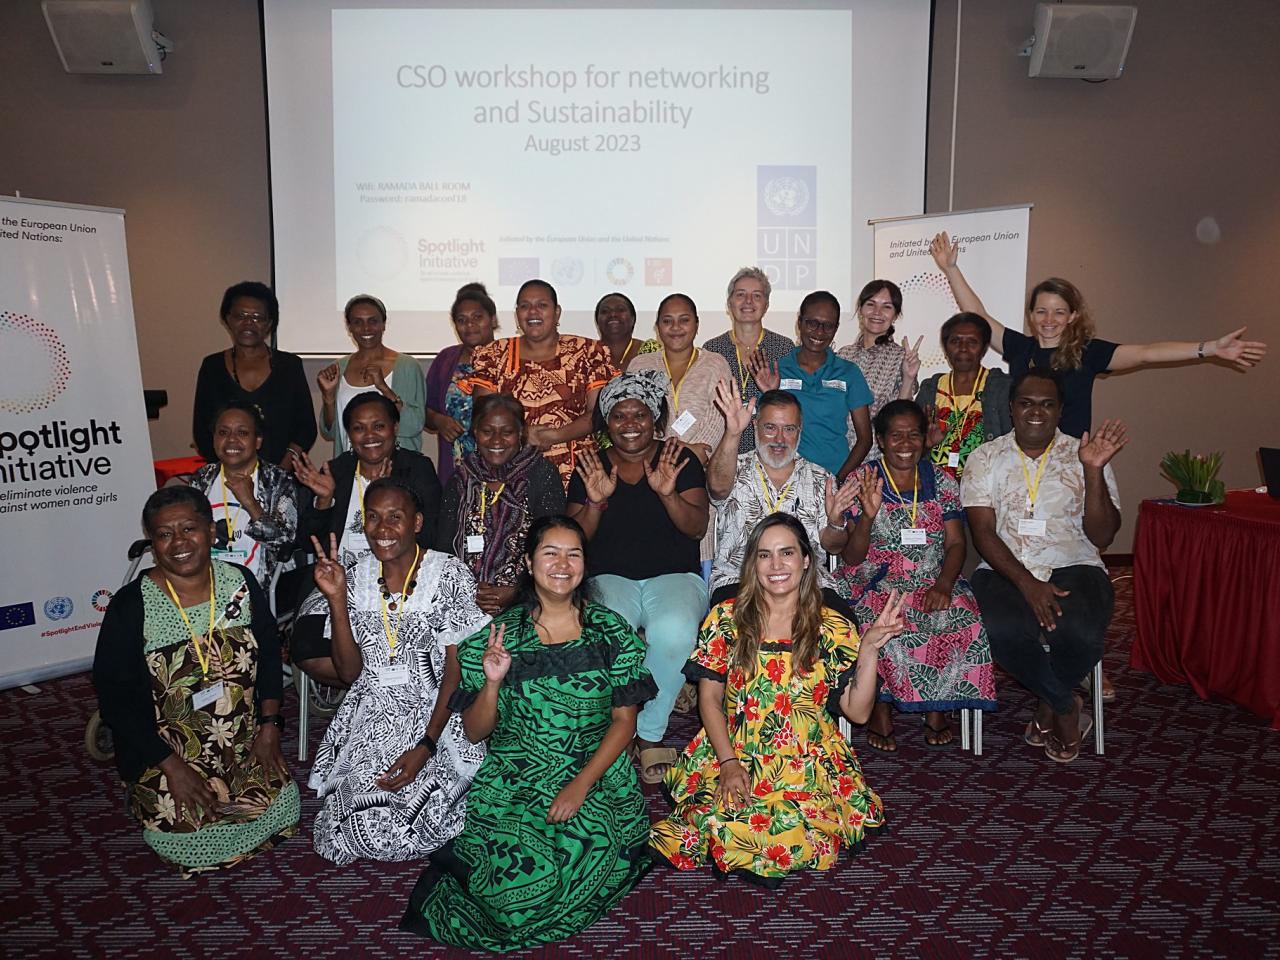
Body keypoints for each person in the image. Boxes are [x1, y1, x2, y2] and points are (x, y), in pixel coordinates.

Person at [400, 516, 656, 951]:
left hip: (595, 773)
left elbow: (624, 723)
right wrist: (494, 681)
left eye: (573, 554)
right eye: (549, 553)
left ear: (584, 565)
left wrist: (579, 787)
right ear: (529, 562)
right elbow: (477, 731)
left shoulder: (611, 632)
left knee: (578, 853)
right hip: (516, 777)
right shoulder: (497, 638)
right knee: (511, 893)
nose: (562, 564)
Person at [650, 513, 900, 886]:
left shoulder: (832, 626)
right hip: (736, 750)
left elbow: (858, 713)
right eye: (764, 555)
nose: (776, 565)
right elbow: (710, 701)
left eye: (787, 553)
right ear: (752, 564)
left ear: (805, 561)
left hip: (808, 759)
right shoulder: (725, 618)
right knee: (723, 819)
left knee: (779, 836)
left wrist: (868, 650)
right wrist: (729, 763)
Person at [92, 486, 298, 876]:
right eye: (164, 534)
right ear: (152, 543)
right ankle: (147, 794)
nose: (178, 543)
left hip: (241, 741)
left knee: (285, 806)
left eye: (189, 529)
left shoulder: (239, 582)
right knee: (184, 835)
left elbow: (270, 653)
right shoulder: (131, 605)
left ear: (212, 531)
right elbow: (115, 701)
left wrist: (269, 728)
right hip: (166, 753)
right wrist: (172, 767)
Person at [306, 479, 489, 864]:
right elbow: (350, 672)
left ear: (417, 522)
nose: (383, 529)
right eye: (372, 518)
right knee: (359, 818)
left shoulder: (449, 573)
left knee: (426, 810)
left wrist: (427, 743)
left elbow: (456, 672)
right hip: (374, 711)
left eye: (395, 517)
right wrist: (337, 599)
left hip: (439, 711)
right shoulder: (354, 576)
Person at [929, 231, 1267, 439]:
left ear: (1073, 316)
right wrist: (951, 268)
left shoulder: (1087, 352)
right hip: (1022, 459)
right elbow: (978, 317)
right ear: (1031, 315)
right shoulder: (1020, 348)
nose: (1049, 319)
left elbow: (1147, 353)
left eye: (1060, 311)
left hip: (1072, 459)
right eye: (1042, 311)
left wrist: (1208, 349)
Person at [961, 370, 1127, 763]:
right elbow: (983, 533)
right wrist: (1028, 584)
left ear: (1060, 410)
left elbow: (1103, 536)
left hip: (1076, 564)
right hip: (1004, 568)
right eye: (1026, 403)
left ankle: (1048, 705)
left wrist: (1093, 471)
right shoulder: (985, 457)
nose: (1036, 412)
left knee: (1081, 632)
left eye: (1047, 404)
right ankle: (1066, 705)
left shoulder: (1086, 454)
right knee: (1002, 630)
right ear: (1011, 408)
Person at [566, 370, 710, 783]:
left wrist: (666, 493)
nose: (630, 424)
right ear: (607, 423)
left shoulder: (678, 459)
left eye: (640, 414)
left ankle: (648, 732)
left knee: (675, 630)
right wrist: (594, 502)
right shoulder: (592, 464)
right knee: (612, 631)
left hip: (675, 577)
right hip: (609, 577)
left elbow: (696, 528)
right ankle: (614, 727)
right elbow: (576, 540)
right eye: (619, 415)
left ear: (655, 418)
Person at [833, 400, 996, 750]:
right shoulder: (861, 480)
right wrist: (868, 516)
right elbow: (851, 555)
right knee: (880, 622)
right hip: (875, 578)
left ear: (925, 439)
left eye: (914, 435)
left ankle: (938, 706)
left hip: (931, 577)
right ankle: (879, 706)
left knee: (964, 619)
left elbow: (955, 544)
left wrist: (944, 584)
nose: (905, 444)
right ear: (879, 439)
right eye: (896, 436)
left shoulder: (942, 480)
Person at [292, 391, 442, 687]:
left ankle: (382, 689)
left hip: (398, 578)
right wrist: (324, 501)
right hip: (339, 578)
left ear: (395, 428)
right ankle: (378, 688)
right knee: (307, 649)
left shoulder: (416, 468)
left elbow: (431, 532)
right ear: (349, 434)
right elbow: (308, 539)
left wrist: (384, 493)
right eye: (359, 428)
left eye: (379, 426)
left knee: (404, 651)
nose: (369, 435)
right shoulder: (336, 470)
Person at [705, 382, 859, 615]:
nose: (779, 439)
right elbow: (716, 488)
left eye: (789, 429)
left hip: (807, 582)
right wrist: (733, 432)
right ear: (755, 425)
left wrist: (836, 521)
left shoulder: (821, 477)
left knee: (842, 630)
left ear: (800, 429)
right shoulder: (733, 467)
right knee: (734, 631)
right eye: (770, 428)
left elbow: (833, 547)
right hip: (740, 579)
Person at [465, 279, 617, 487]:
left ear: (557, 312)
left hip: (577, 473)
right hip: (510, 469)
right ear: (517, 314)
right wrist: (524, 435)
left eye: (542, 305)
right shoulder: (494, 353)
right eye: (525, 306)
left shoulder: (587, 352)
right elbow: (483, 414)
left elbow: (599, 413)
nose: (533, 312)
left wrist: (554, 436)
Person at [435, 393, 566, 615]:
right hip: (463, 597)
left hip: (529, 597)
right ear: (475, 432)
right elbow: (443, 546)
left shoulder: (541, 474)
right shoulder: (462, 477)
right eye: (487, 431)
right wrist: (466, 590)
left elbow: (551, 546)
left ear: (521, 433)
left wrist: (516, 590)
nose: (497, 441)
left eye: (507, 432)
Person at [193, 281, 316, 469]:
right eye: (240, 316)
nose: (248, 323)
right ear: (227, 319)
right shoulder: (212, 367)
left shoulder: (290, 366)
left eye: (258, 317)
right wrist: (231, 470)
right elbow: (202, 429)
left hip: (285, 475)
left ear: (269, 324)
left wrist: (280, 472)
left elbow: (306, 428)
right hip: (229, 477)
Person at [757, 290, 875, 480]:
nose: (819, 332)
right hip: (785, 478)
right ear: (800, 323)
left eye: (827, 326)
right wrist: (770, 394)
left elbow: (865, 439)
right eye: (812, 323)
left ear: (836, 328)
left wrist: (839, 481)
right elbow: (764, 429)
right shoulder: (777, 370)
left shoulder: (849, 372)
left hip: (833, 476)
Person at [189, 401, 298, 594]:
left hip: (263, 590)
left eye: (242, 433)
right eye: (223, 433)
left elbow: (284, 547)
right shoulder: (202, 479)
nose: (231, 440)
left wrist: (250, 503)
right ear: (214, 439)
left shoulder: (278, 480)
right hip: (209, 588)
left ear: (257, 441)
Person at [701, 267, 796, 454]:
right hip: (723, 449)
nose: (748, 302)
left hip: (770, 452)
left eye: (757, 296)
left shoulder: (784, 347)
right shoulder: (712, 348)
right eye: (740, 295)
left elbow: (793, 407)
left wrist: (773, 393)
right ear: (729, 303)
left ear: (767, 304)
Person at [317, 294, 426, 455]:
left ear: (383, 324)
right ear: (349, 327)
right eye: (357, 322)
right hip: (352, 470)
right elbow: (330, 433)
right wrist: (328, 397)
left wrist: (384, 388)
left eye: (373, 321)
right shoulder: (338, 368)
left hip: (396, 470)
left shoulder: (408, 366)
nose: (366, 328)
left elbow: (415, 425)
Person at [915, 312, 1012, 480]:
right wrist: (925, 444)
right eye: (955, 341)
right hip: (935, 488)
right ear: (945, 347)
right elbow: (912, 445)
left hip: (985, 486)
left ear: (984, 348)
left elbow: (1012, 445)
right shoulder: (930, 388)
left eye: (972, 341)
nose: (963, 347)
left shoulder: (1002, 387)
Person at [836, 280, 923, 463]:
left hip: (875, 460)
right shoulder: (844, 354)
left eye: (887, 307)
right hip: (836, 454)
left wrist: (908, 378)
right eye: (871, 304)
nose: (877, 313)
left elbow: (902, 416)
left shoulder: (901, 357)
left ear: (896, 315)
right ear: (860, 309)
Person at [425, 282, 500, 486]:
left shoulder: (511, 357)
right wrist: (439, 420)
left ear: (492, 319)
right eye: (462, 320)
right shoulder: (445, 359)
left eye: (477, 317)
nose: (470, 325)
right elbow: (425, 411)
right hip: (456, 469)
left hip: (504, 468)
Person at [594, 291, 650, 372]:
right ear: (597, 321)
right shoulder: (586, 354)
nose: (613, 314)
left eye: (621, 310)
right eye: (605, 311)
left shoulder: (650, 352)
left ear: (633, 319)